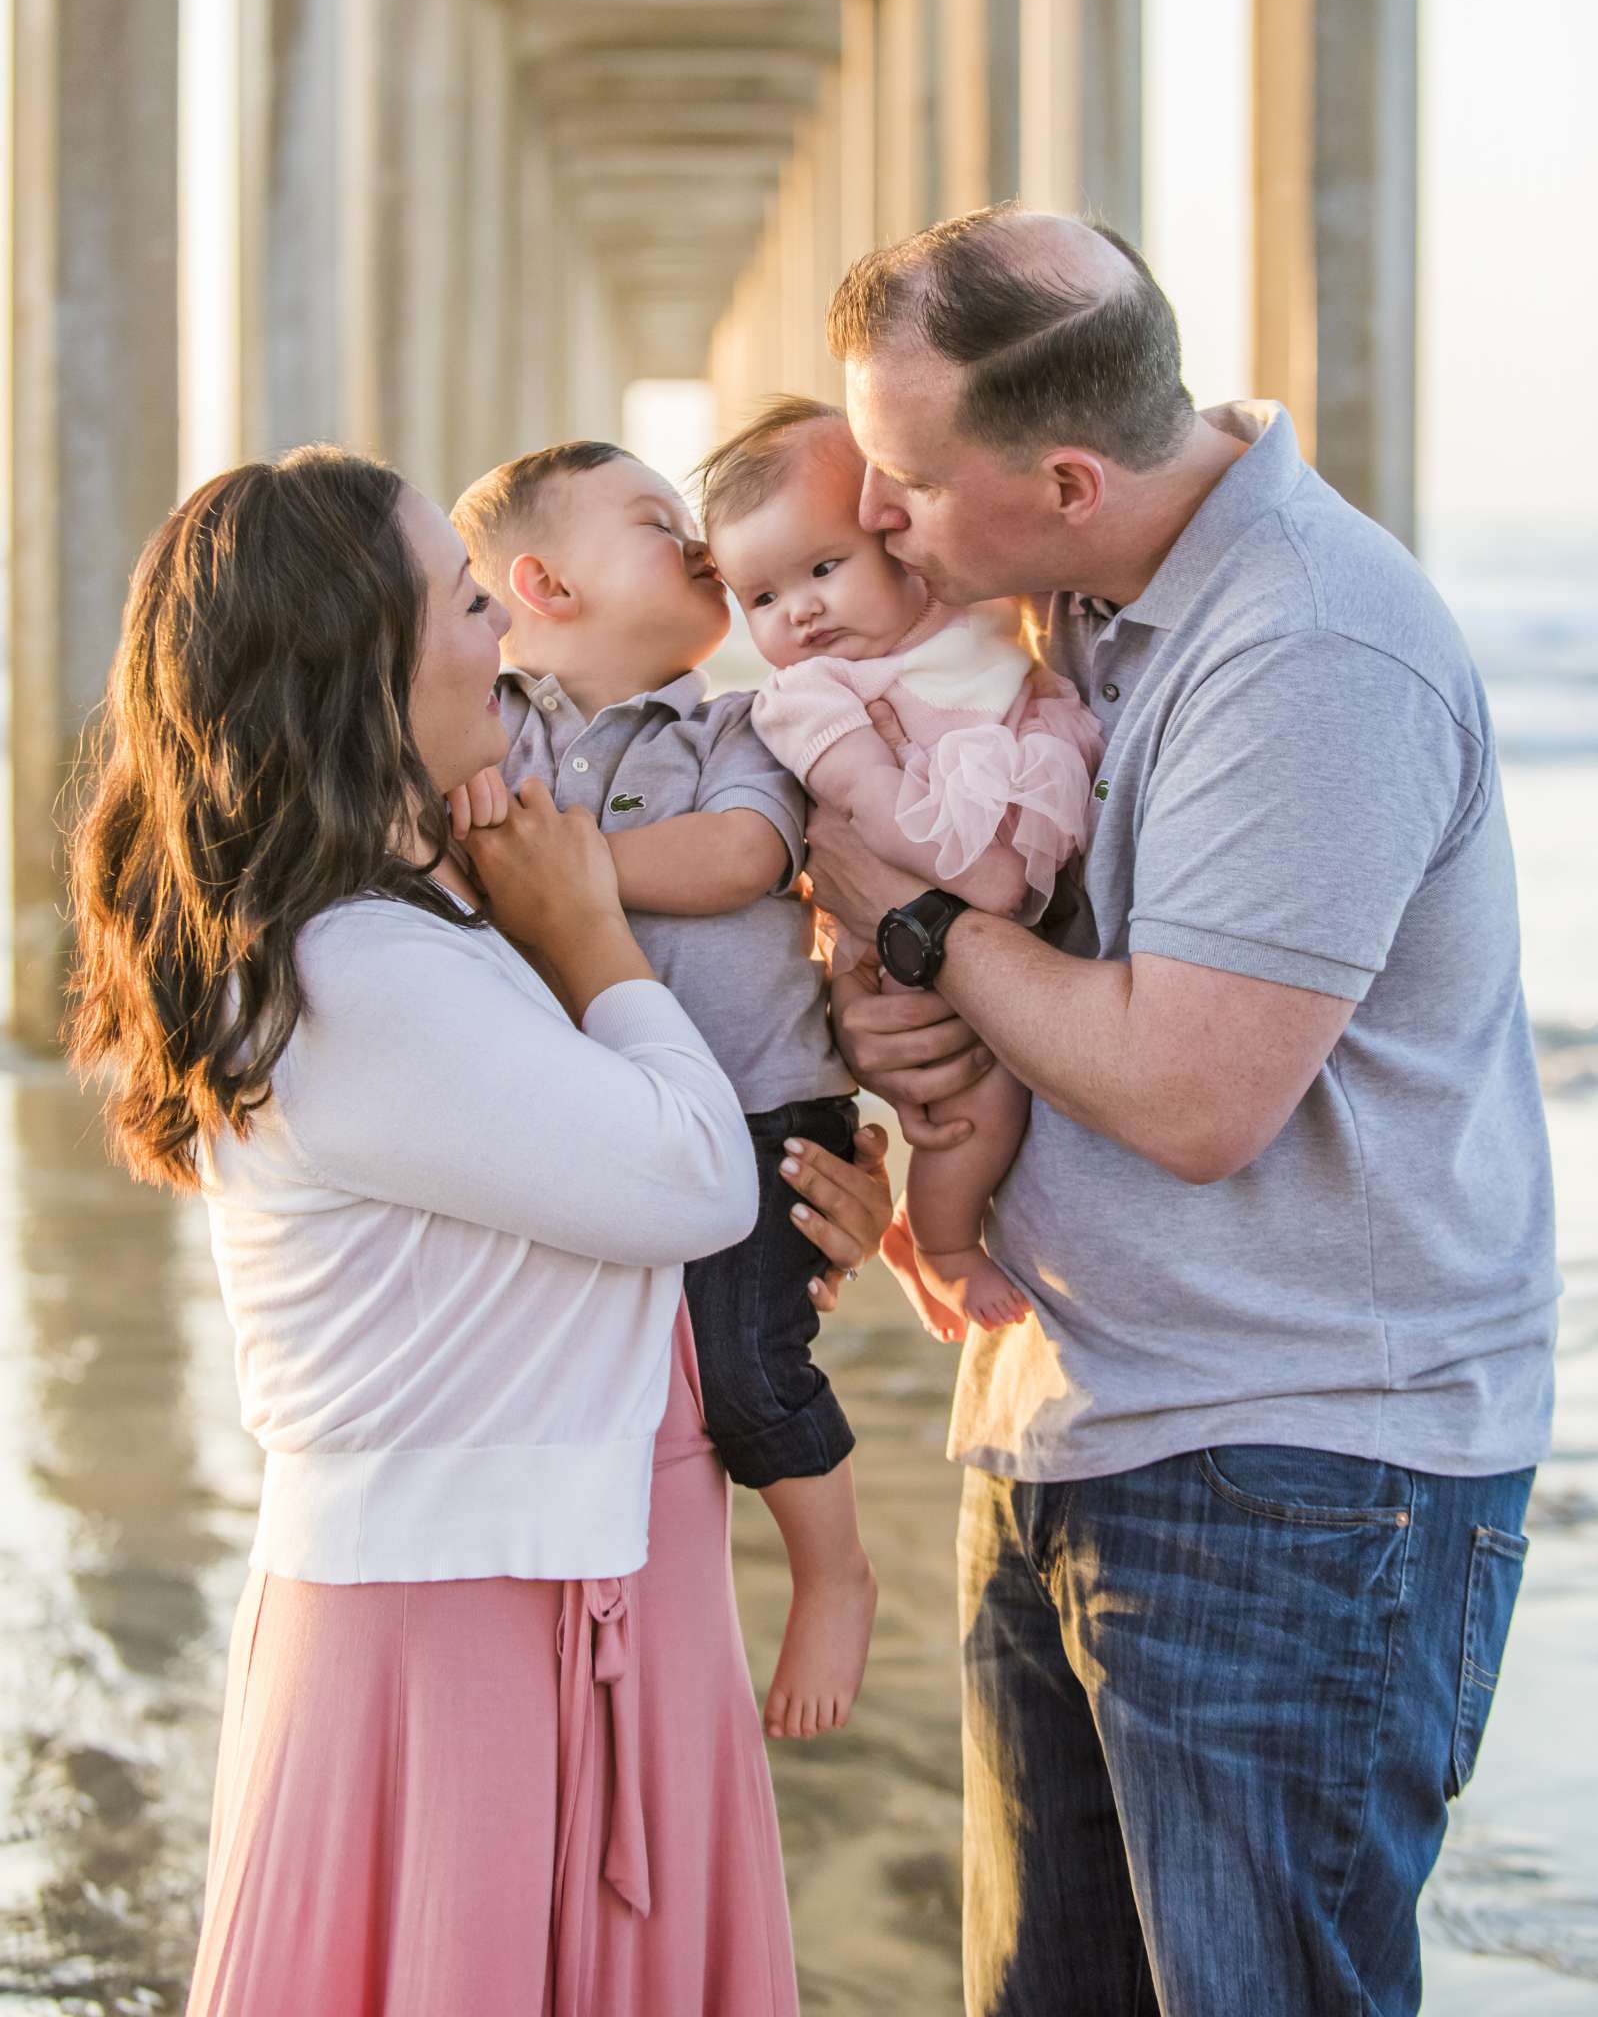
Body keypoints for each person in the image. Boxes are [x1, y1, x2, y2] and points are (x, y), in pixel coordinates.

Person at [805, 205, 1560, 2017]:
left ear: (1069, 477)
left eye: (902, 482)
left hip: (1296, 1478)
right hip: (1081, 1417)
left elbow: (1185, 1089)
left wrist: (917, 920)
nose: (873, 521)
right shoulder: (1077, 599)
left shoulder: (1308, 650)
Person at [66, 445, 890, 2016]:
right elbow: (683, 1177)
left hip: (576, 1563)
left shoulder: (421, 916)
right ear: (363, 663)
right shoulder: (360, 969)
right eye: (459, 605)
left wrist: (797, 1237)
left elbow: (602, 1212)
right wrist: (588, 933)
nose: (497, 638)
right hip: (462, 1632)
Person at [449, 439, 878, 1742]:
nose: (699, 544)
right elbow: (440, 857)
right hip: (602, 1119)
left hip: (757, 1103)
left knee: (747, 1363)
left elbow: (743, 853)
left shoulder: (742, 721)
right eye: (656, 522)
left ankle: (832, 1570)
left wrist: (554, 875)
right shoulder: (485, 730)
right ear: (545, 583)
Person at [702, 395, 1100, 1334]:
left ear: (899, 542)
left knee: (1000, 1077)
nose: (798, 610)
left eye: (825, 568)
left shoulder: (977, 613)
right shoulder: (813, 696)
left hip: (985, 905)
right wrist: (984, 887)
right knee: (977, 1099)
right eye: (760, 598)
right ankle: (946, 1242)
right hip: (909, 921)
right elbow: (881, 810)